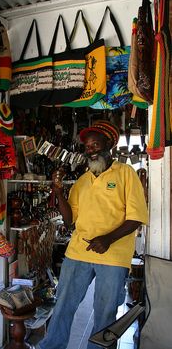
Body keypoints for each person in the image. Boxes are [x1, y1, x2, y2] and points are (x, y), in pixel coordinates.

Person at [36, 120, 148, 349]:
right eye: (87, 147)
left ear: (109, 144)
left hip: (113, 254)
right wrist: (58, 193)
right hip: (78, 251)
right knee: (64, 304)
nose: (91, 150)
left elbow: (136, 217)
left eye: (95, 144)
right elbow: (69, 221)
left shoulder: (126, 174)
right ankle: (52, 346)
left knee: (105, 312)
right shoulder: (82, 181)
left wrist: (108, 239)